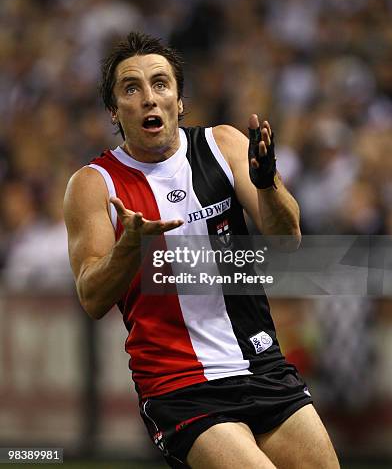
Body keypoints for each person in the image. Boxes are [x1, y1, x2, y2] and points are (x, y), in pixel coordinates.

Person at [64, 31, 340, 469]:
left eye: (160, 83)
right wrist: (130, 247)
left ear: (179, 99)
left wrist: (268, 184)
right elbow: (92, 298)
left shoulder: (223, 145)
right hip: (179, 385)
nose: (149, 98)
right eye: (131, 88)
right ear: (115, 111)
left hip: (261, 363)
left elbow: (287, 239)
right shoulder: (94, 184)